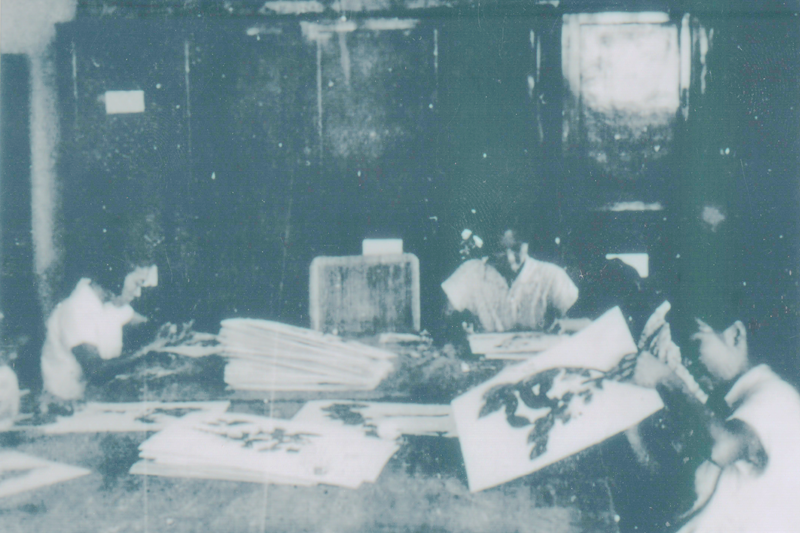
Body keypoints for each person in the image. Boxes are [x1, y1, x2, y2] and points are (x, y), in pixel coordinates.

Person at [674, 318, 800, 533]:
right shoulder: (745, 406)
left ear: (735, 335)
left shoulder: (776, 395)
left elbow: (722, 447)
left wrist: (667, 380)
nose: (687, 362)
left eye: (695, 344)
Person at [40, 265, 158, 404]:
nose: (138, 293)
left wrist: (167, 330)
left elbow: (143, 322)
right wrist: (147, 351)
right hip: (65, 403)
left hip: (92, 400)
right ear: (117, 277)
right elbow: (96, 372)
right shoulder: (77, 308)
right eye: (137, 284)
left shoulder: (108, 303)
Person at [441, 229, 579, 333]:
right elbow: (446, 316)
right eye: (500, 250)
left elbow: (585, 323)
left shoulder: (551, 275)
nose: (510, 258)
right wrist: (458, 325)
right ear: (489, 249)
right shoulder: (472, 272)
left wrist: (564, 325)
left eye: (516, 249)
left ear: (527, 245)